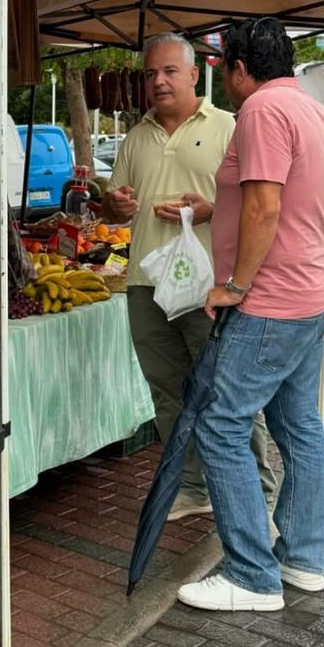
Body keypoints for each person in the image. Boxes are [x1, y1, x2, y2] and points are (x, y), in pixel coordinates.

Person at [178, 17, 324, 612]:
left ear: (239, 70)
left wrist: (235, 286)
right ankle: (303, 560)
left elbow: (267, 206)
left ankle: (250, 574)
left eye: (226, 71)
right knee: (298, 427)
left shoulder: (262, 112)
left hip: (271, 300)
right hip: (311, 294)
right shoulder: (316, 113)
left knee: (220, 424)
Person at [102, 32, 276, 522]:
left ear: (195, 74)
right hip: (145, 284)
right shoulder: (137, 135)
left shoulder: (230, 127)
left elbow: (257, 206)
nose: (158, 81)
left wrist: (211, 212)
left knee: (227, 394)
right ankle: (194, 486)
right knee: (169, 393)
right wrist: (113, 205)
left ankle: (259, 496)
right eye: (150, 73)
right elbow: (114, 211)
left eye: (169, 71)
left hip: (211, 287)